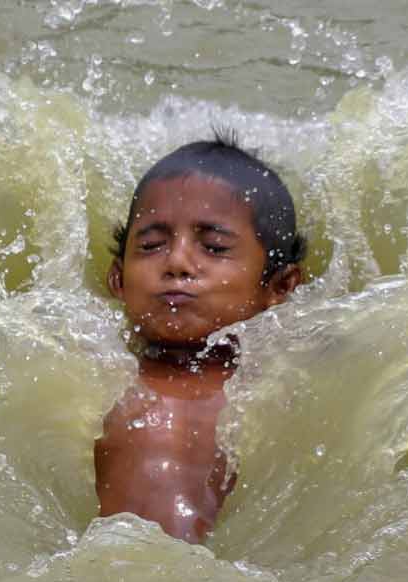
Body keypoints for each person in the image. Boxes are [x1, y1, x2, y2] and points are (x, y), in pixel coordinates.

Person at [94, 131, 306, 543]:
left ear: (280, 287)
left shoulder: (284, 385)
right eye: (152, 245)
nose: (177, 262)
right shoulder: (97, 375)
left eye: (213, 247)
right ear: (118, 279)